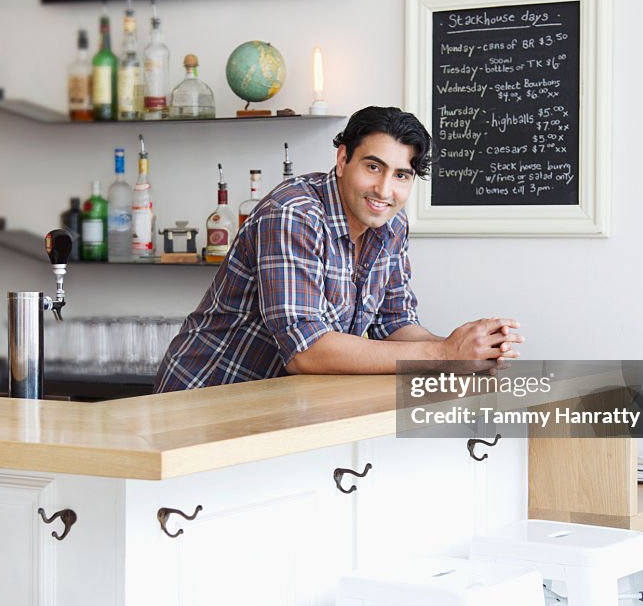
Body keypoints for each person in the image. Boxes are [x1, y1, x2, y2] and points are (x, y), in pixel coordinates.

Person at [154, 106, 523, 393]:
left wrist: (466, 350)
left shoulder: (391, 223)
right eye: (373, 167)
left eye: (401, 175)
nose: (383, 189)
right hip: (204, 396)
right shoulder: (293, 214)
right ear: (343, 159)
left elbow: (394, 324)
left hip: (277, 401)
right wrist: (444, 354)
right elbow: (306, 351)